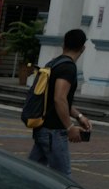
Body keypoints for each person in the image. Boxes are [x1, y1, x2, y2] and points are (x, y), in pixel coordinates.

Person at [28, 28, 91, 177]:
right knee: (63, 179)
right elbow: (59, 98)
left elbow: (58, 99)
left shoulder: (54, 63)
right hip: (54, 132)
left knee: (31, 174)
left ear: (64, 44)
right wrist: (70, 127)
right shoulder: (68, 67)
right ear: (83, 48)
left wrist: (79, 116)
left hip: (43, 129)